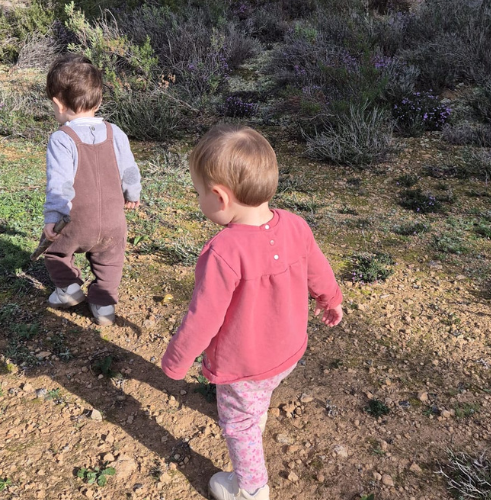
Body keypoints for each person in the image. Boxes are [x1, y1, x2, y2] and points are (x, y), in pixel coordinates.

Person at [161, 125, 343, 500]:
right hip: (288, 350)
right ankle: (256, 414)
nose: (199, 201)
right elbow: (318, 269)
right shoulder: (295, 224)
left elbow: (203, 319)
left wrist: (177, 361)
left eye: (198, 194)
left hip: (244, 366)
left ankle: (251, 488)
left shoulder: (223, 251)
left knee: (239, 425)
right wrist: (331, 299)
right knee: (258, 399)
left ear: (220, 197)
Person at [41, 54, 141, 325]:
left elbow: (59, 183)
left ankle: (70, 290)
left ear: (58, 104)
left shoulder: (62, 139)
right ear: (98, 102)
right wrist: (132, 194)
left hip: (77, 221)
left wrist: (53, 217)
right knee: (110, 261)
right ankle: (104, 307)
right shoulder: (115, 132)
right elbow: (130, 170)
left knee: (56, 250)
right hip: (113, 220)